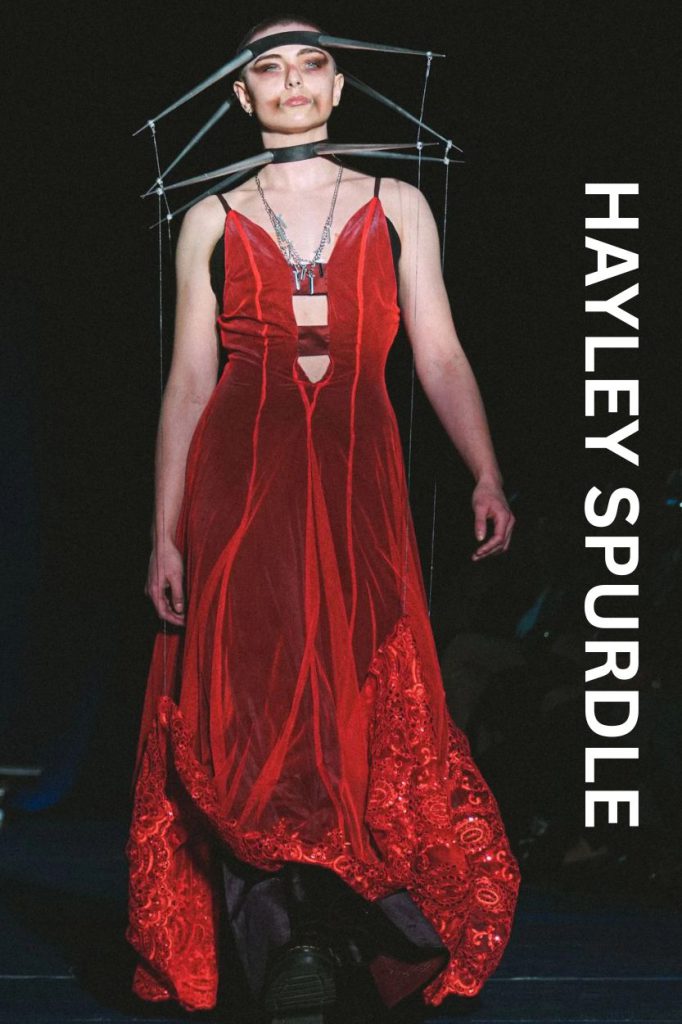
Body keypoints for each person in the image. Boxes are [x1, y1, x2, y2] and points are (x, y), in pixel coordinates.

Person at [125, 13, 521, 1023]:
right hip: (241, 480)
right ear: (243, 95)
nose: (292, 81)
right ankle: (287, 945)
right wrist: (165, 530)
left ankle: (368, 928)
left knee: (355, 697)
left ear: (338, 87)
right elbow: (189, 379)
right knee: (253, 703)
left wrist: (484, 471)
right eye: (270, 67)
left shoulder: (396, 204)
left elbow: (437, 350)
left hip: (355, 480)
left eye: (311, 65)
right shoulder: (211, 217)